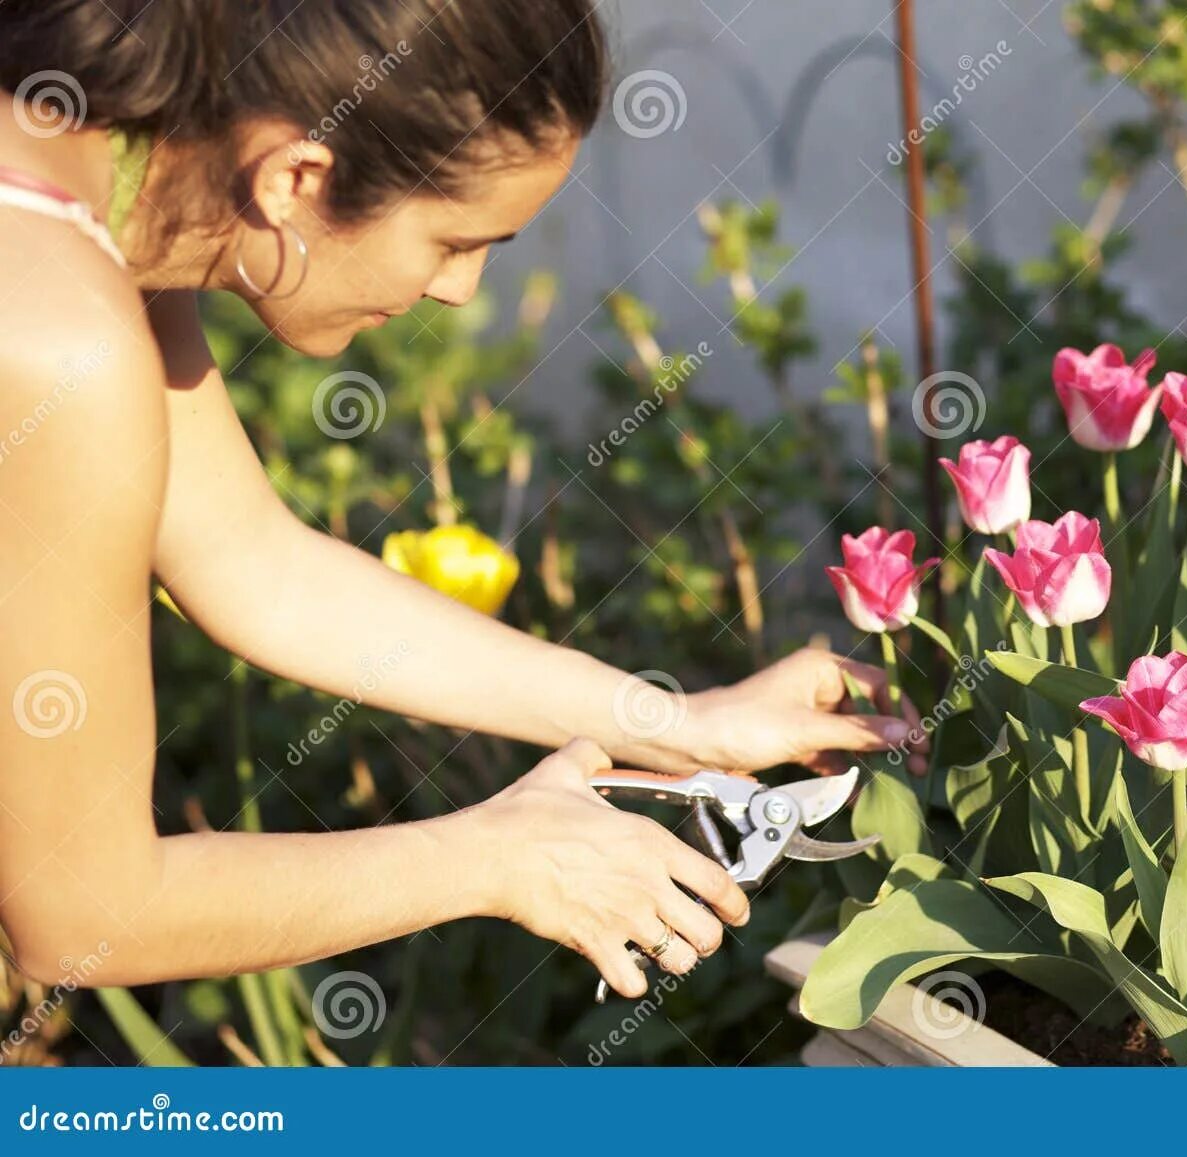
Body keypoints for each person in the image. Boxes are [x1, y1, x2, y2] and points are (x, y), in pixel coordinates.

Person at [0, 0, 925, 1003]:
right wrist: (498, 857)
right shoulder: (56, 337)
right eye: (453, 240)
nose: (460, 289)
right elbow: (85, 914)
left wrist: (679, 725)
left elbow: (252, 562)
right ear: (297, 177)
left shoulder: (103, 200)